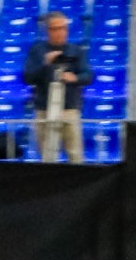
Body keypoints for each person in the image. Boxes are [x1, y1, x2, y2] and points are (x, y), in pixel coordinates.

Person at [22, 11, 88, 163]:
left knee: (75, 154)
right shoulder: (37, 50)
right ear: (48, 30)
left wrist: (74, 78)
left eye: (63, 28)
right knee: (47, 156)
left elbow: (88, 75)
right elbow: (28, 77)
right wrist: (45, 65)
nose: (61, 32)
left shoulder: (76, 50)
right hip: (44, 109)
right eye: (56, 28)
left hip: (69, 109)